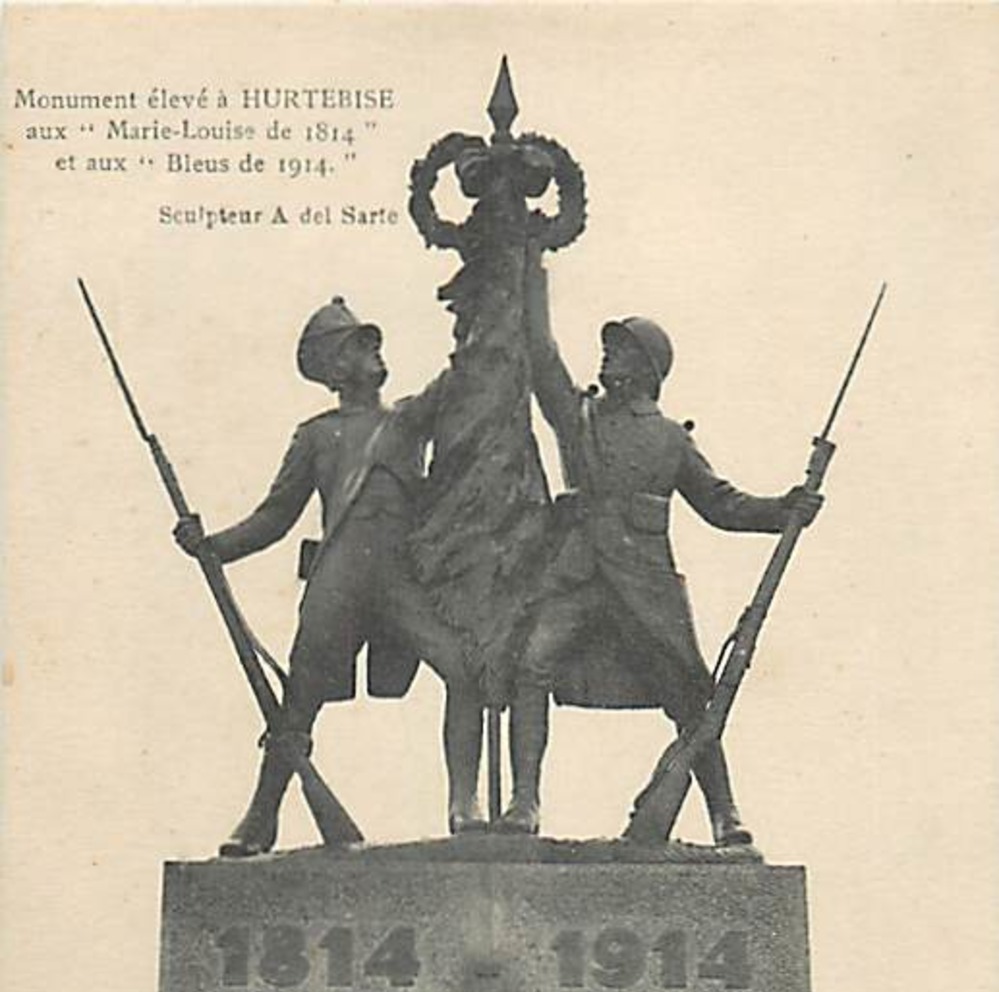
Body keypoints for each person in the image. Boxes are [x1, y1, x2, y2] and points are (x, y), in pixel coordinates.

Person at [500, 243, 823, 843]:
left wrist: (785, 509)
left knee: (691, 697)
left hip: (646, 584)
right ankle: (525, 802)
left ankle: (725, 814)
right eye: (606, 346)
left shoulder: (671, 439)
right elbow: (542, 358)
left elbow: (722, 503)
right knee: (531, 665)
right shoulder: (581, 417)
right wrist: (530, 274)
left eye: (618, 347)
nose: (606, 354)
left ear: (646, 366)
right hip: (578, 575)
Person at [174, 296, 485, 855]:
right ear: (336, 368)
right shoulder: (315, 436)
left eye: (373, 343)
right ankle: (260, 818)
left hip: (400, 579)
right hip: (337, 579)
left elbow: (457, 381)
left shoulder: (409, 419)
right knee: (298, 702)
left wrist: (481, 322)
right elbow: (275, 517)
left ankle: (464, 804)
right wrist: (212, 546)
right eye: (360, 346)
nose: (374, 351)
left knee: (464, 670)